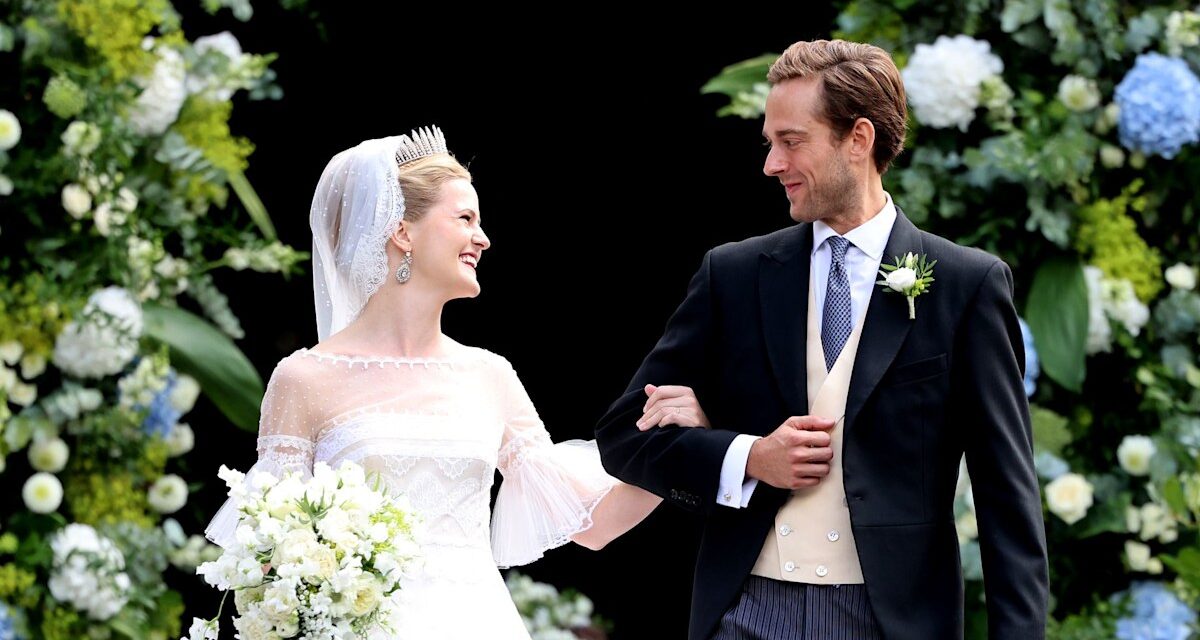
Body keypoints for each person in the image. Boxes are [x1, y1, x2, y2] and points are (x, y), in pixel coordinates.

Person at [595, 39, 1049, 640]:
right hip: (744, 613)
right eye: (770, 143)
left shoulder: (965, 285)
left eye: (792, 141)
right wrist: (749, 457)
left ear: (857, 140)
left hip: (894, 622)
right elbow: (623, 435)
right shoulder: (733, 276)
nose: (771, 164)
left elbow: (1007, 498)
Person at [205, 127, 663, 639]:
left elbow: (592, 521)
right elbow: (267, 557)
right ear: (403, 232)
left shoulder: (489, 375)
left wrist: (692, 453)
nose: (483, 238)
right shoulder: (305, 378)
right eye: (465, 218)